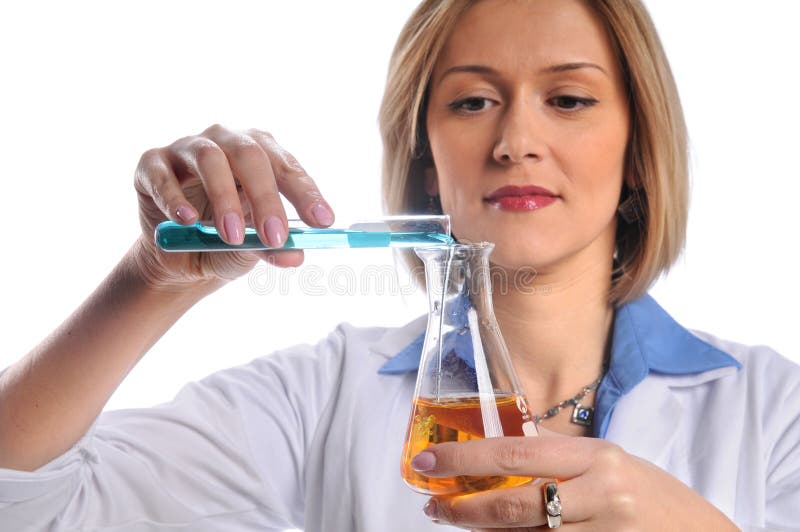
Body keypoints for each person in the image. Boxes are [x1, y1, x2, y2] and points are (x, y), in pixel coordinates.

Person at [0, 0, 798, 530]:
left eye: (569, 99)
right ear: (424, 161)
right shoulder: (317, 399)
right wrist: (149, 280)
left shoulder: (776, 412)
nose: (516, 140)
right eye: (472, 101)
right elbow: (29, 505)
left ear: (637, 151)